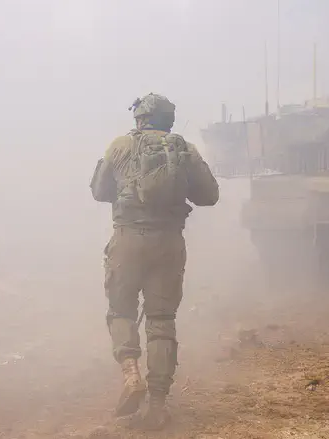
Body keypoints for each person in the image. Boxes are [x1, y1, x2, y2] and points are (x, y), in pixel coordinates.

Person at [90, 93, 220, 430]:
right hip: (168, 242)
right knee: (162, 320)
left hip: (128, 239)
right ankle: (158, 404)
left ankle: (131, 374)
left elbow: (100, 192)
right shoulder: (184, 149)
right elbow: (209, 196)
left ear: (139, 119)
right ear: (169, 119)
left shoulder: (119, 146)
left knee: (121, 310)